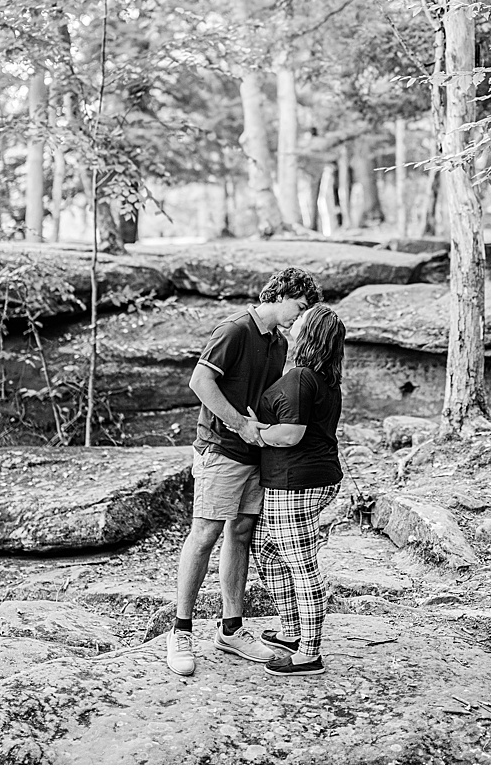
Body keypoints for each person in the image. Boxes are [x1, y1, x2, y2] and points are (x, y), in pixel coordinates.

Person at [165, 267, 323, 677]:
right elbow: (200, 382)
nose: (300, 316)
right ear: (281, 294)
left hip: (256, 457)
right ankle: (180, 631)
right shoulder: (234, 330)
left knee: (241, 534)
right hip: (221, 449)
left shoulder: (278, 341)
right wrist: (238, 423)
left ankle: (230, 629)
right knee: (205, 534)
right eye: (299, 307)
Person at [246, 302, 346, 677]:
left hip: (297, 483)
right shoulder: (320, 376)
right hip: (303, 480)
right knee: (269, 552)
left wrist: (253, 431)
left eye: (303, 317)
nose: (296, 317)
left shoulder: (304, 376)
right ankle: (291, 631)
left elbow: (290, 434)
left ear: (311, 333)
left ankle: (309, 654)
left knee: (301, 564)